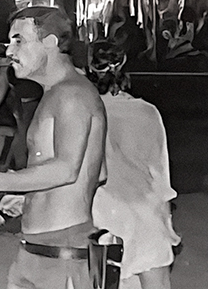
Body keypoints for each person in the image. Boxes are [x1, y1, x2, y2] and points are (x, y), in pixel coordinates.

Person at [0, 6, 106, 289]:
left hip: (62, 252)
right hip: (38, 247)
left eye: (18, 40)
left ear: (50, 42)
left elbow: (67, 169)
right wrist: (28, 197)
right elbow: (98, 170)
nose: (9, 51)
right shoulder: (54, 94)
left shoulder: (72, 95)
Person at [87, 41, 180, 289]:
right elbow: (161, 173)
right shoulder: (148, 112)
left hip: (106, 214)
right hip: (148, 214)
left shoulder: (88, 112)